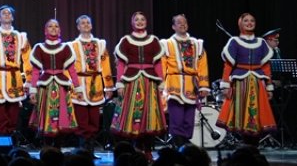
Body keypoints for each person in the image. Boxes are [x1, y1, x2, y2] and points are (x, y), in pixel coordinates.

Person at [110, 11, 166, 154]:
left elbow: (158, 64)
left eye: (142, 19)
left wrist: (161, 82)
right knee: (133, 114)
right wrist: (120, 83)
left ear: (146, 22)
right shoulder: (126, 40)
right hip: (131, 81)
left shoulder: (153, 40)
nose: (140, 22)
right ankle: (134, 149)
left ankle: (147, 149)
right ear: (132, 23)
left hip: (150, 81)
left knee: (149, 114)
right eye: (137, 20)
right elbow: (121, 64)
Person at [217, 12, 277, 143]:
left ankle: (253, 144)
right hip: (240, 82)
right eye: (246, 21)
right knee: (241, 113)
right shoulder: (234, 41)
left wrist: (269, 87)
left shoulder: (261, 43)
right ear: (240, 23)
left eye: (252, 21)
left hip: (257, 82)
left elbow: (266, 67)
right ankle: (246, 144)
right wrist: (225, 85)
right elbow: (227, 66)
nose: (249, 23)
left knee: (256, 114)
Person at [160, 14, 211, 147]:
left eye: (184, 22)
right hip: (174, 84)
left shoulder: (197, 44)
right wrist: (161, 85)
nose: (182, 24)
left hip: (191, 85)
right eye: (179, 23)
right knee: (177, 118)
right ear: (173, 26)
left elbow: (202, 66)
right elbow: (162, 65)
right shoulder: (167, 44)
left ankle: (186, 144)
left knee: (189, 120)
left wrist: (204, 86)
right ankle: (179, 145)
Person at [67, 15, 114, 151]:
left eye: (88, 22)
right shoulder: (72, 46)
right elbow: (67, 67)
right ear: (78, 27)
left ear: (91, 26)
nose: (86, 25)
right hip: (79, 85)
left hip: (95, 84)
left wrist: (109, 86)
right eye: (83, 23)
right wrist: (69, 85)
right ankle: (83, 148)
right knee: (81, 119)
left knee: (94, 120)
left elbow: (106, 65)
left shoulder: (100, 44)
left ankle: (91, 148)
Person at [0, 4, 33, 137]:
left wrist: (29, 81)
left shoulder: (21, 37)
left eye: (9, 13)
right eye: (4, 13)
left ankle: (12, 138)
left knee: (13, 111)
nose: (7, 15)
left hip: (14, 76)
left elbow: (28, 59)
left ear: (12, 17)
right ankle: (0, 141)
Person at [27, 18, 76, 148]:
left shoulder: (65, 48)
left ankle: (58, 147)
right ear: (45, 30)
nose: (53, 28)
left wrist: (78, 87)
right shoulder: (39, 48)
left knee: (61, 115)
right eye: (50, 26)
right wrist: (32, 90)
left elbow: (71, 70)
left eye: (56, 26)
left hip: (61, 85)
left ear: (60, 30)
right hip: (45, 86)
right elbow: (36, 71)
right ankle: (47, 146)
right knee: (46, 115)